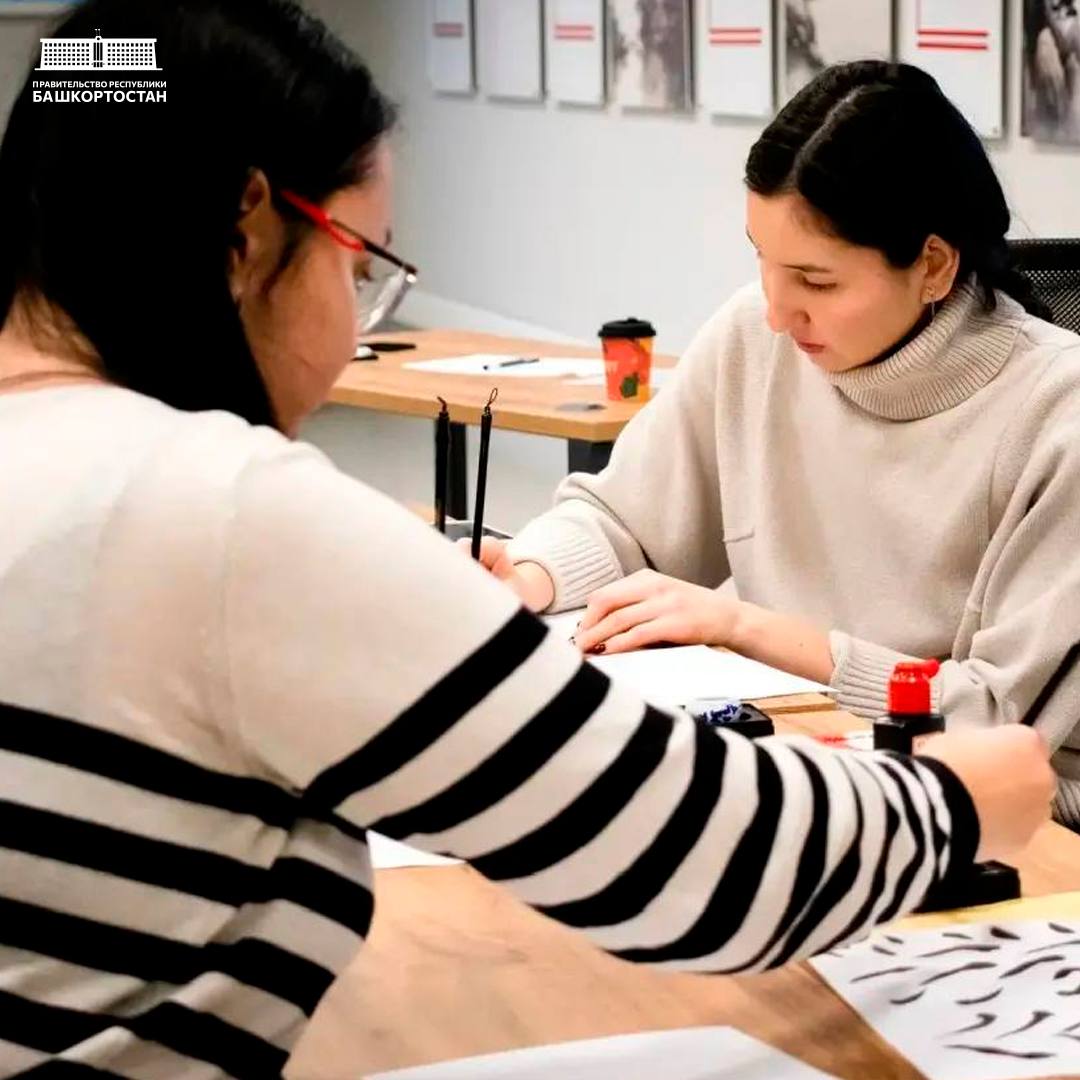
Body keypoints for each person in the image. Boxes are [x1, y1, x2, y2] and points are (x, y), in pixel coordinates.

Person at [0, 8, 1053, 1076]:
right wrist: (948, 807)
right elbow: (684, 847)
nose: (359, 325)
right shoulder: (234, 515)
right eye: (362, 270)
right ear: (250, 235)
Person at [478, 61, 1080, 828]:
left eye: (816, 282)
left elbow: (997, 721)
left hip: (996, 815)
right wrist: (528, 576)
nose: (775, 312)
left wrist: (743, 626)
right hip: (813, 764)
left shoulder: (1058, 414)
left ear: (932, 265)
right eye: (760, 260)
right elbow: (623, 520)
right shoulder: (755, 341)